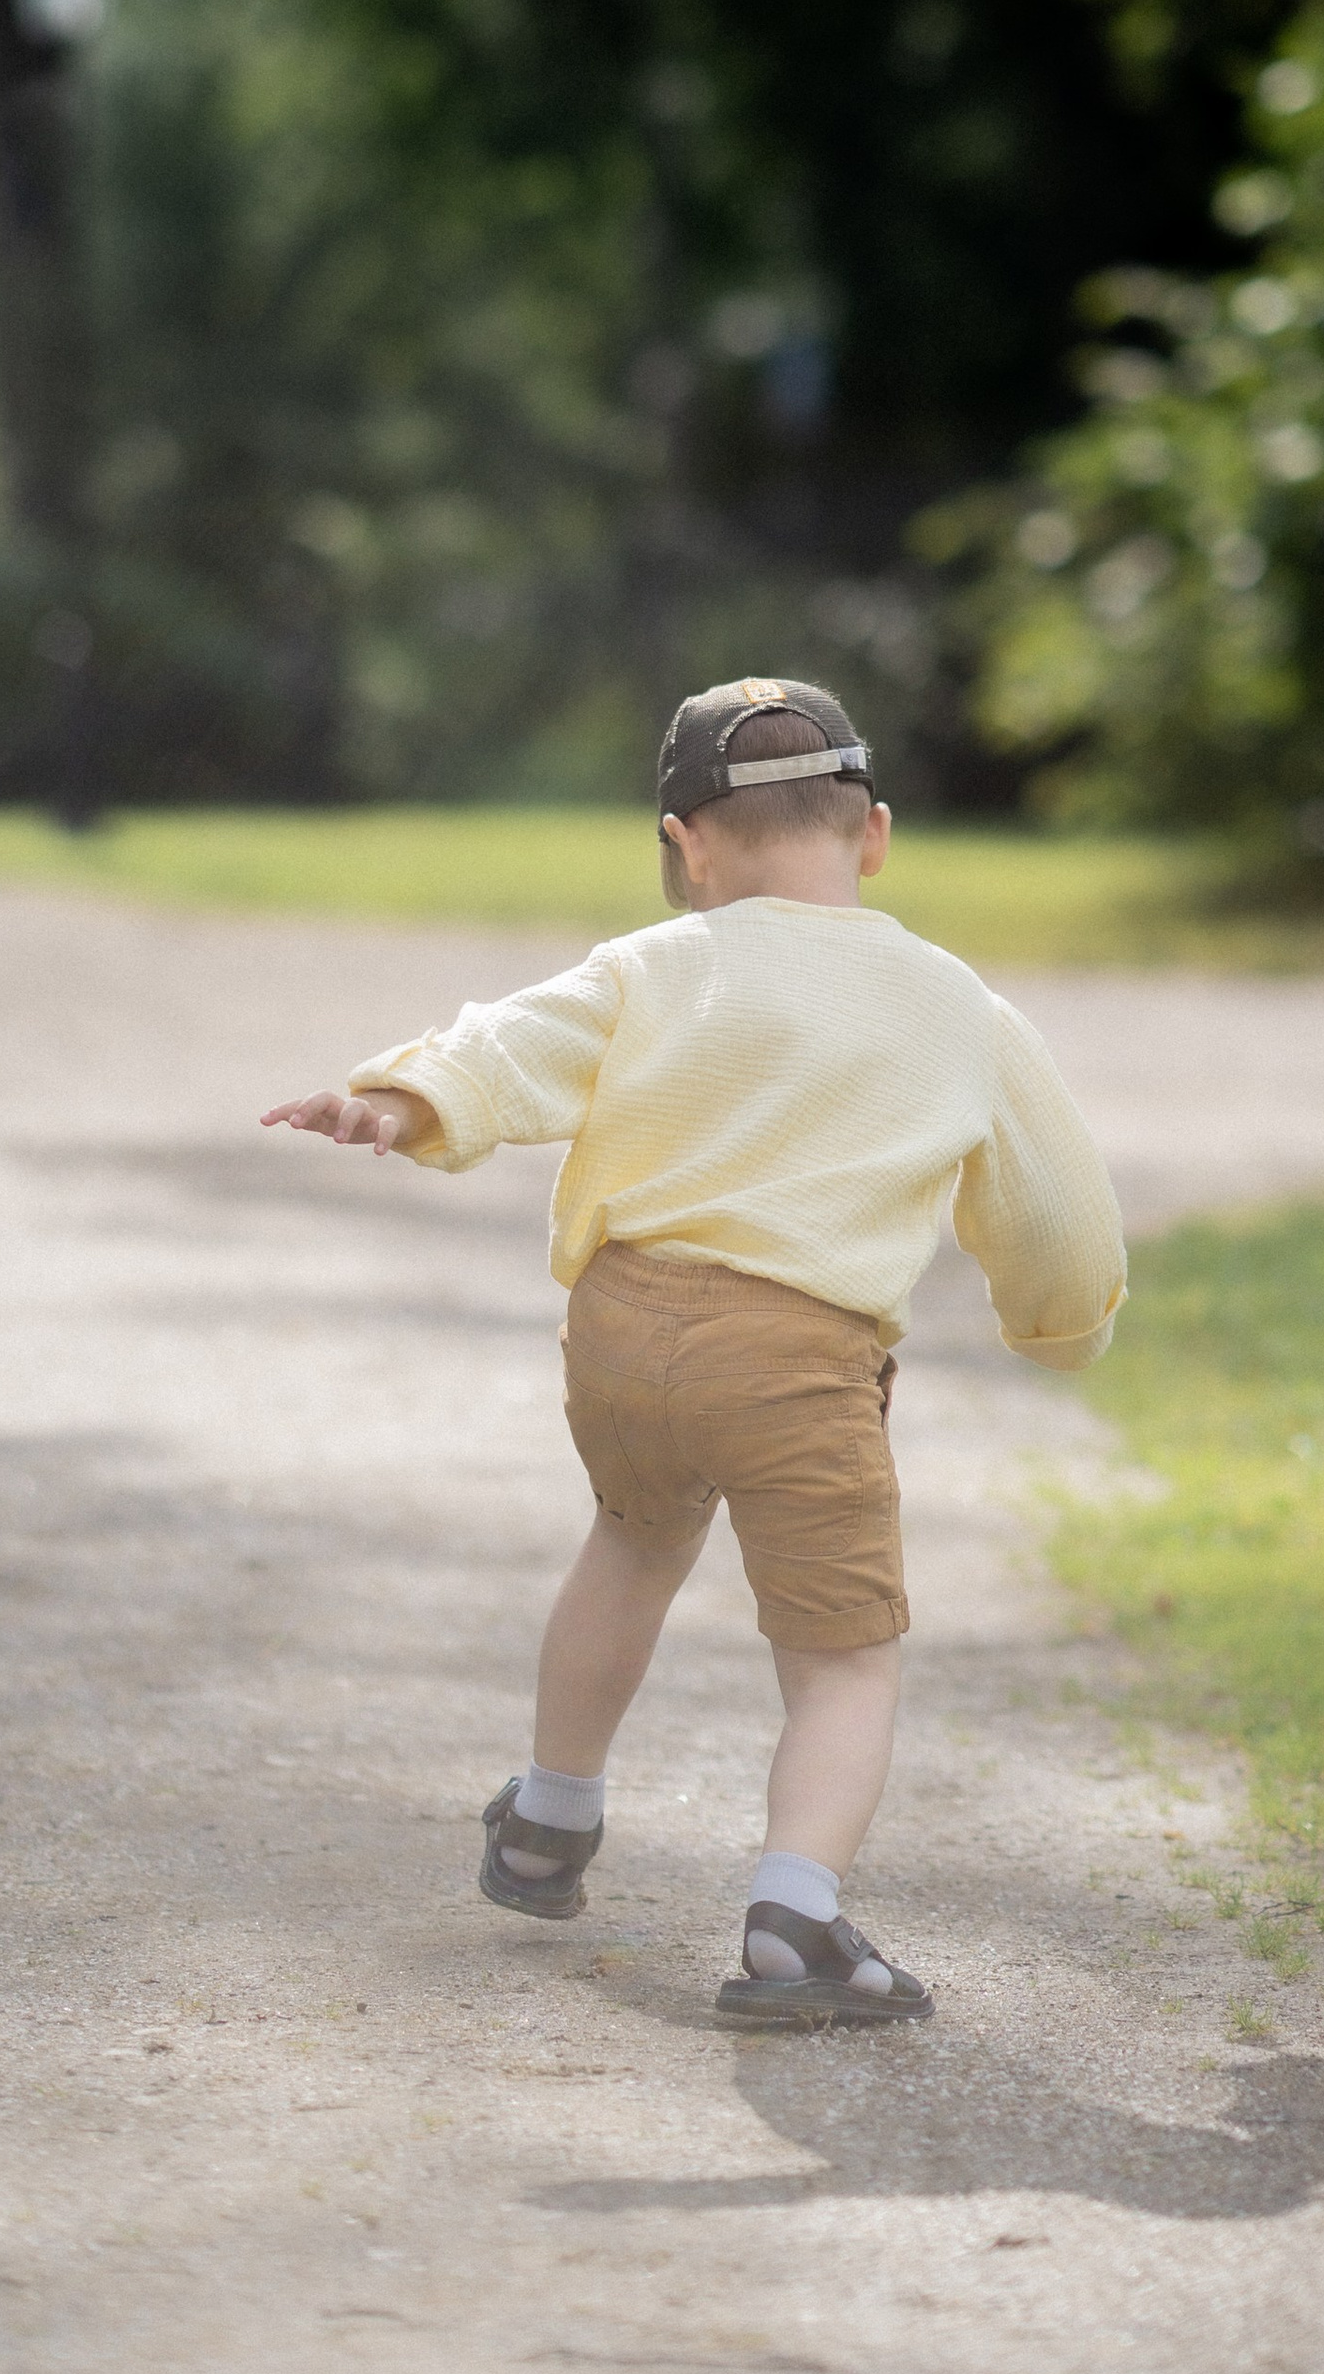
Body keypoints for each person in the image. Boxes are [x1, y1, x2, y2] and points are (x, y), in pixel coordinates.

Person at [261, 678, 1126, 2028]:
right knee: (843, 1654)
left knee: (633, 1538)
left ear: (687, 847)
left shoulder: (655, 966)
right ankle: (797, 1915)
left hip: (623, 1335)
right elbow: (1058, 1217)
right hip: (797, 1361)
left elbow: (510, 1046)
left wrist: (400, 1095)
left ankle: (550, 1818)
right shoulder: (961, 1007)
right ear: (875, 834)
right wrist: (1064, 1327)